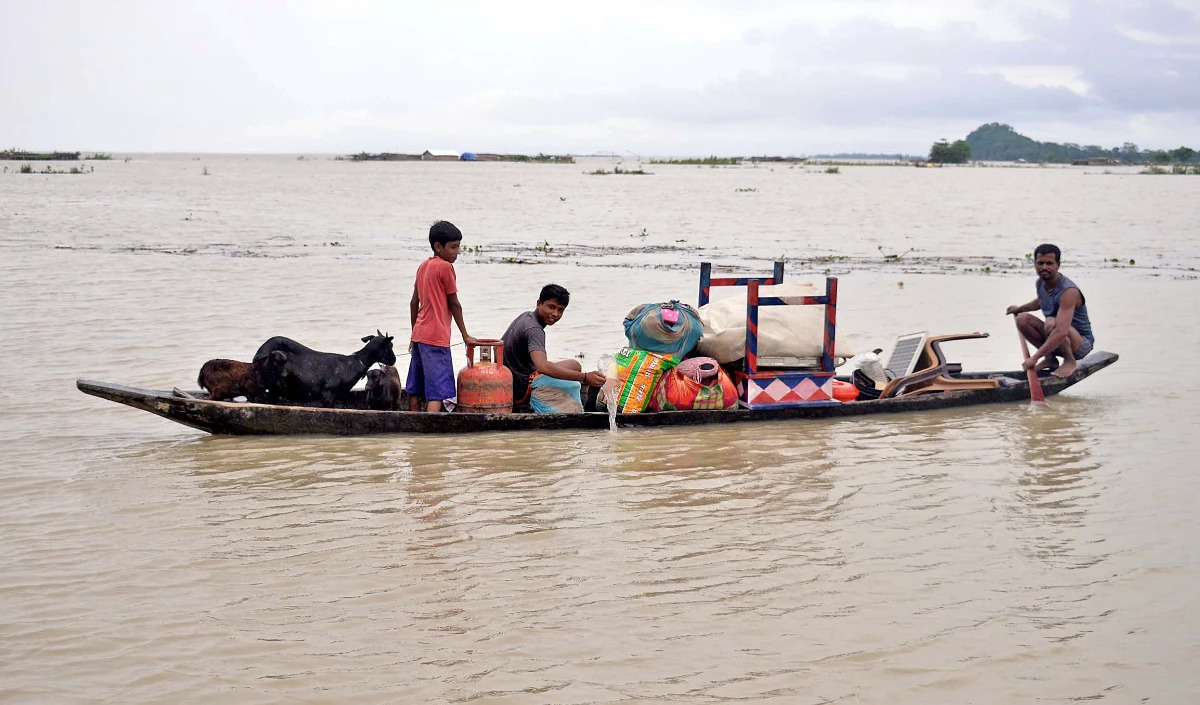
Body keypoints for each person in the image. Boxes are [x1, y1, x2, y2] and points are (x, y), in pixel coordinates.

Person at [501, 284, 606, 412]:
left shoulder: (527, 316)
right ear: (539, 304)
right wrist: (584, 377)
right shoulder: (535, 329)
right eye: (551, 307)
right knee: (575, 382)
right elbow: (542, 367)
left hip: (513, 378)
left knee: (574, 365)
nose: (555, 314)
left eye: (560, 310)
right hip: (520, 387)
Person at [406, 220, 476, 412]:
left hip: (420, 336)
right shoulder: (445, 267)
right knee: (436, 393)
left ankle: (413, 426)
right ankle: (429, 436)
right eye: (453, 247)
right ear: (438, 247)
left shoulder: (423, 266)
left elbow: (414, 303)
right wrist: (465, 335)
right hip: (436, 338)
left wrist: (413, 334)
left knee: (415, 389)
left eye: (458, 247)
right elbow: (454, 304)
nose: (457, 252)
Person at [1006, 243, 1095, 378]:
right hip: (1054, 337)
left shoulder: (1069, 292)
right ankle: (1050, 359)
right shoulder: (1040, 283)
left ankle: (1070, 361)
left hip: (1080, 344)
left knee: (1052, 322)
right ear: (1034, 264)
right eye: (1040, 263)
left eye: (1049, 263)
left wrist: (1034, 358)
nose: (1044, 267)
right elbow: (1040, 302)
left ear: (1058, 265)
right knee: (1022, 319)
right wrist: (1019, 309)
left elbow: (1061, 331)